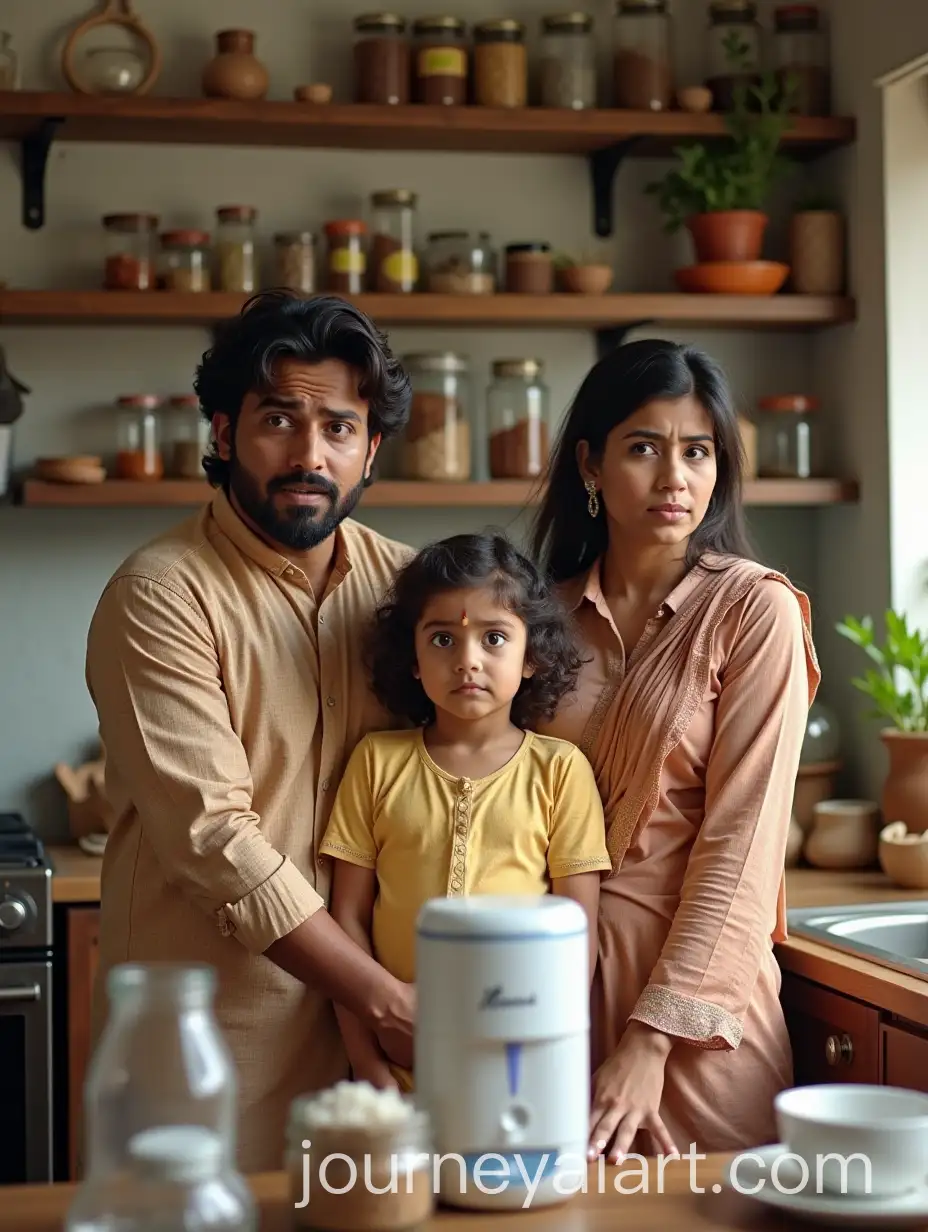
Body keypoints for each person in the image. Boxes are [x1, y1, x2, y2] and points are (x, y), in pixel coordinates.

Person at [85, 292, 419, 1172]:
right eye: (281, 419)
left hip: (378, 1064)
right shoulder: (161, 593)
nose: (311, 455)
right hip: (210, 1052)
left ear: (371, 449)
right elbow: (215, 841)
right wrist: (384, 999)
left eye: (340, 428)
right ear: (225, 432)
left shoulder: (415, 593)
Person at [530, 338, 820, 1163]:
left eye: (697, 452)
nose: (674, 478)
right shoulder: (533, 619)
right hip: (547, 1010)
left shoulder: (752, 613)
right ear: (589, 464)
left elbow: (742, 847)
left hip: (693, 1028)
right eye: (644, 448)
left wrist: (651, 1042)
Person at [318, 532, 612, 1091]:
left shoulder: (561, 773)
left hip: (517, 1069)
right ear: (412, 658)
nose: (468, 660)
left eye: (494, 637)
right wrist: (368, 1063)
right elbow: (348, 921)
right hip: (395, 1068)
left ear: (532, 658)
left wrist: (545, 1063)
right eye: (443, 639)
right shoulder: (376, 763)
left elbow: (577, 941)